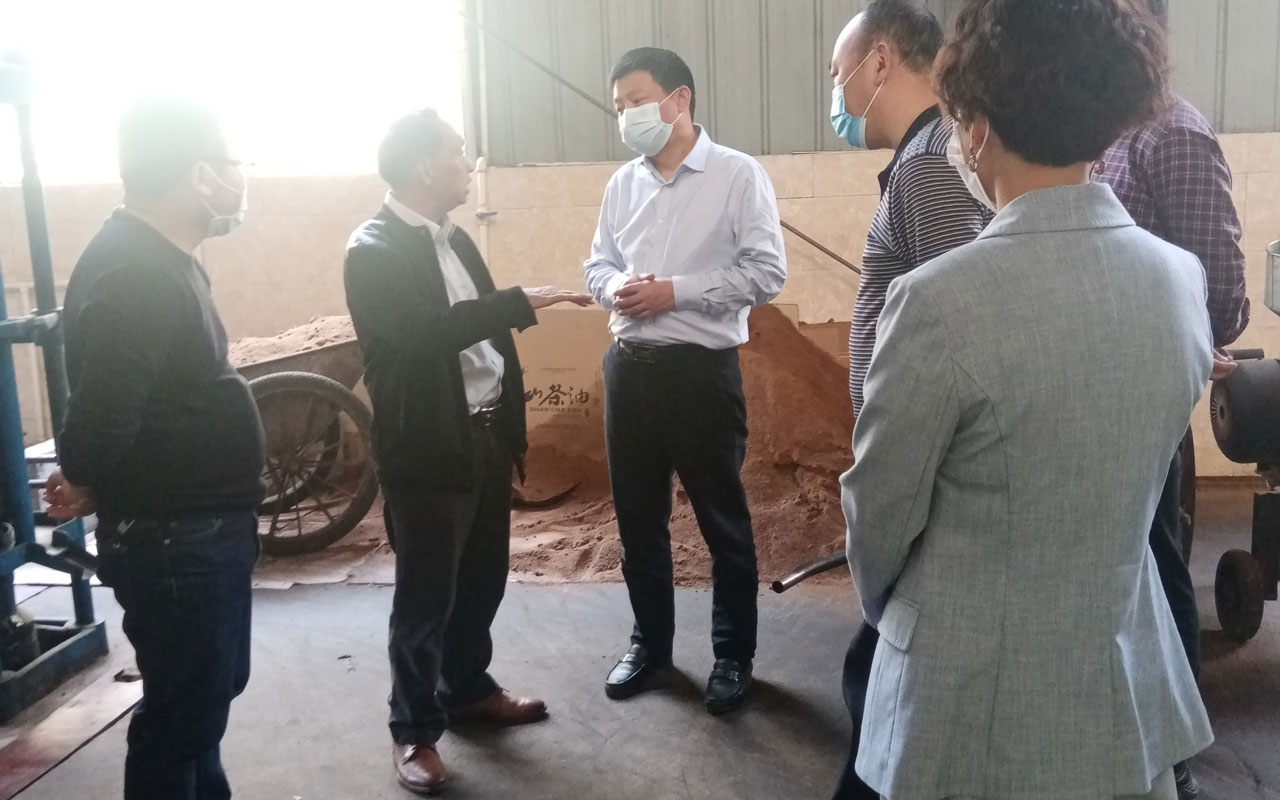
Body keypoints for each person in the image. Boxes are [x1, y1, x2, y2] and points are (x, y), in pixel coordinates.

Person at [842, 1, 1214, 798]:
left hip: (970, 694)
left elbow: (880, 521)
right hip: (1123, 676)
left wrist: (895, 617)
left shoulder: (936, 302)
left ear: (975, 129)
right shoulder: (1180, 281)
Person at [343, 109, 591, 796]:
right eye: (457, 151)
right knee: (425, 597)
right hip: (428, 449)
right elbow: (425, 333)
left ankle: (468, 689)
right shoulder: (372, 249)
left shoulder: (453, 239)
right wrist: (520, 300)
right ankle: (414, 729)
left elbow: (482, 338)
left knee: (481, 580)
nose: (468, 161)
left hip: (482, 436)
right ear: (425, 166)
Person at [46, 98, 265, 800]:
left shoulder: (160, 258)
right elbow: (98, 423)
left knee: (200, 707)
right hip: (177, 541)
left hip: (195, 530)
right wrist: (86, 475)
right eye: (234, 164)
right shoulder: (134, 273)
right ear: (201, 175)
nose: (241, 179)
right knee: (180, 718)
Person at [584, 47, 786, 714]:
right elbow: (597, 264)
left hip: (701, 375)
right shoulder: (622, 185)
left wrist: (676, 292)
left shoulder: (736, 175)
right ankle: (650, 646)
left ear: (679, 99)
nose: (627, 115)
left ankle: (733, 655)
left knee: (722, 522)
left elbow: (766, 272)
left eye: (637, 100)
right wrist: (617, 285)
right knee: (638, 523)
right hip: (630, 371)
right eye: (619, 106)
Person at [826, 2, 991, 795]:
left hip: (923, 475)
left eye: (840, 75)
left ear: (881, 62)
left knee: (884, 687)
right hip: (923, 465)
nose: (837, 97)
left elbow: (959, 340)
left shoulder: (928, 167)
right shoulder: (930, 157)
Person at [1095, 3, 1248, 794]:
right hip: (1089, 389)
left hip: (1141, 397)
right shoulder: (1103, 134)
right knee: (1119, 572)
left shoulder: (1173, 135)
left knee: (1155, 570)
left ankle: (1175, 757)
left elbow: (1220, 294)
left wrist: (1166, 344)